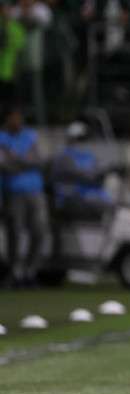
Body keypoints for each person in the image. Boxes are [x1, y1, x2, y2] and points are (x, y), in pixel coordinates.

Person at [0, 105, 49, 287]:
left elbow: (39, 160)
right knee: (15, 233)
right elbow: (3, 164)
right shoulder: (1, 137)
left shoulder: (31, 136)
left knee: (39, 231)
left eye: (18, 117)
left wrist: (15, 160)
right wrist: (24, 161)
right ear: (7, 119)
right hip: (13, 193)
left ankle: (30, 271)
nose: (16, 121)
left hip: (35, 192)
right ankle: (14, 272)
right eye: (13, 117)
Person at [50, 121, 114, 218]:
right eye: (79, 139)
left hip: (92, 196)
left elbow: (97, 173)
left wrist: (103, 172)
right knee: (107, 206)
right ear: (71, 139)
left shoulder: (88, 155)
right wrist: (97, 174)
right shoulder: (64, 157)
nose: (82, 142)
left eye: (84, 139)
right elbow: (84, 176)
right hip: (72, 198)